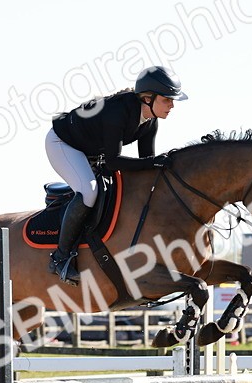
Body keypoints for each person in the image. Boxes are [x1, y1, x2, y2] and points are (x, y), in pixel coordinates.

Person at [45, 65, 188, 284]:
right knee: (89, 191)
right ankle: (60, 258)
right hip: (63, 144)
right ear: (148, 98)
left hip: (91, 151)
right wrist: (154, 163)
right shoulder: (118, 113)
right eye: (167, 99)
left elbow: (146, 164)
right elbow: (113, 162)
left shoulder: (150, 121)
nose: (172, 105)